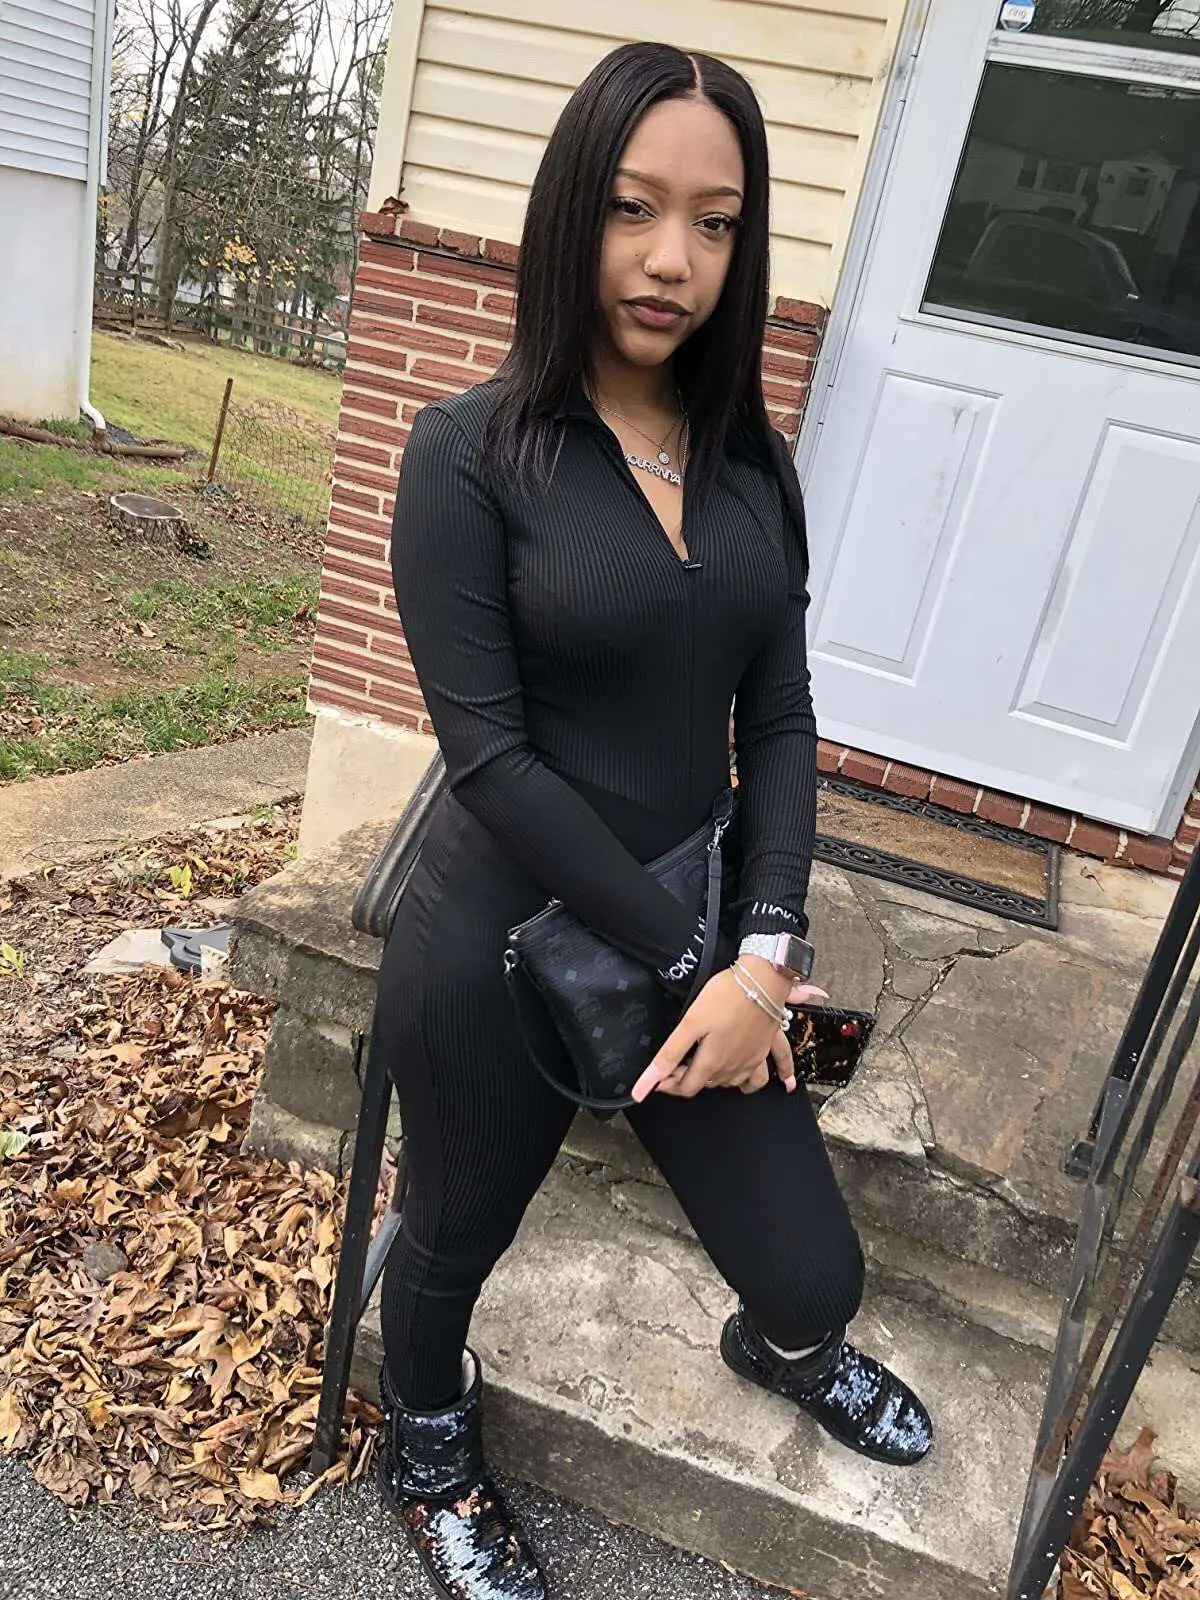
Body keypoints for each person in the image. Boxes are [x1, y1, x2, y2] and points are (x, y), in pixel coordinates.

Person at [374, 40, 933, 1600]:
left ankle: (783, 1347)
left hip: (705, 947)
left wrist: (765, 948)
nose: (672, 258)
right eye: (633, 207)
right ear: (573, 211)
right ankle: (426, 1445)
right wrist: (706, 962)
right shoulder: (467, 456)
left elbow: (785, 721)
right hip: (501, 944)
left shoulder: (756, 468)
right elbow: (491, 765)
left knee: (817, 1272)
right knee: (451, 1237)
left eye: (715, 221)